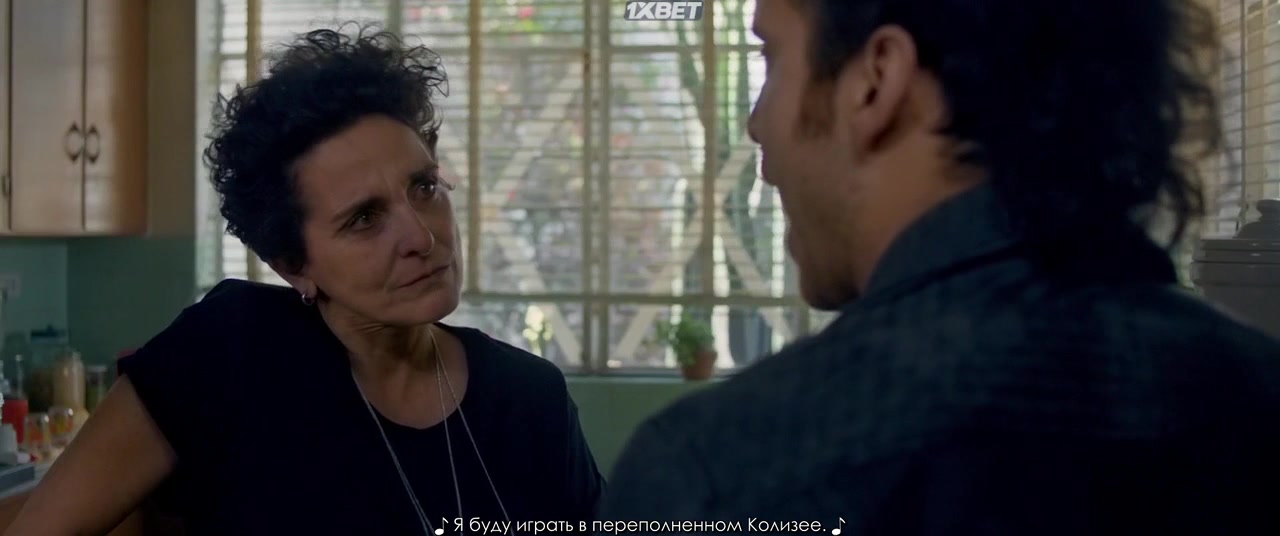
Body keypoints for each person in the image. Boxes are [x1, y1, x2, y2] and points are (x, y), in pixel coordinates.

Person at [600, 0, 1280, 533]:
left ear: (877, 80)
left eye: (771, 57)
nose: (756, 124)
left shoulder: (716, 475)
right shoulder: (1257, 396)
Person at [7, 27, 603, 536]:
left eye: (424, 187)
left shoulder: (531, 399)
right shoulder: (227, 355)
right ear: (295, 265)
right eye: (364, 218)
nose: (421, 236)